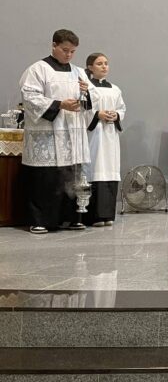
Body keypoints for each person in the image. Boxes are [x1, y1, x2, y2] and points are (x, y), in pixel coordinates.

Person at [20, 29, 98, 234]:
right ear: (54, 45)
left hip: (73, 134)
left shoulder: (79, 72)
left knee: (71, 177)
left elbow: (93, 98)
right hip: (47, 134)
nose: (69, 55)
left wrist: (86, 94)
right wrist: (60, 104)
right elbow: (30, 97)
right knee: (46, 179)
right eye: (65, 50)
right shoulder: (38, 69)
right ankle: (40, 220)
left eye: (73, 51)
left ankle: (71, 218)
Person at [84, 52, 126, 226]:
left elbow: (122, 108)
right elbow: (83, 110)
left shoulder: (115, 89)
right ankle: (94, 216)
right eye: (99, 63)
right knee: (96, 168)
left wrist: (116, 115)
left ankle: (107, 215)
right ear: (90, 67)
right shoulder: (86, 87)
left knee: (110, 169)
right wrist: (97, 115)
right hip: (94, 134)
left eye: (106, 63)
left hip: (110, 135)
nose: (104, 66)